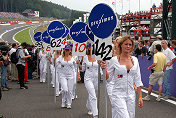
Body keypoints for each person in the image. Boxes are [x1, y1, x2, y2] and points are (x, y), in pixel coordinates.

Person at [100, 35, 143, 118]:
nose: (128, 46)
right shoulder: (114, 60)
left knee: (130, 116)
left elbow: (138, 79)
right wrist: (104, 69)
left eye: (130, 45)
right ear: (121, 45)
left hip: (131, 94)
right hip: (118, 94)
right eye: (126, 44)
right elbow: (108, 79)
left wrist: (140, 97)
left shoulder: (135, 60)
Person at [77, 43, 100, 118]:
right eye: (91, 47)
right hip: (88, 78)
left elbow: (101, 68)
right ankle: (95, 113)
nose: (92, 48)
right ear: (88, 48)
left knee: (93, 93)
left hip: (96, 78)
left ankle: (88, 105)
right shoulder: (85, 57)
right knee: (93, 95)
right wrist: (78, 64)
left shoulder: (98, 56)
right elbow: (82, 69)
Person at [59, 45, 76, 109]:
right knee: (65, 89)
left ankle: (69, 103)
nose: (67, 51)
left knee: (69, 90)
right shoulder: (61, 57)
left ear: (70, 51)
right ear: (64, 50)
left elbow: (75, 67)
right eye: (66, 50)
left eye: (68, 50)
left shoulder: (73, 58)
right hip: (63, 75)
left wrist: (78, 75)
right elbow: (56, 65)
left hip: (71, 76)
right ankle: (63, 101)